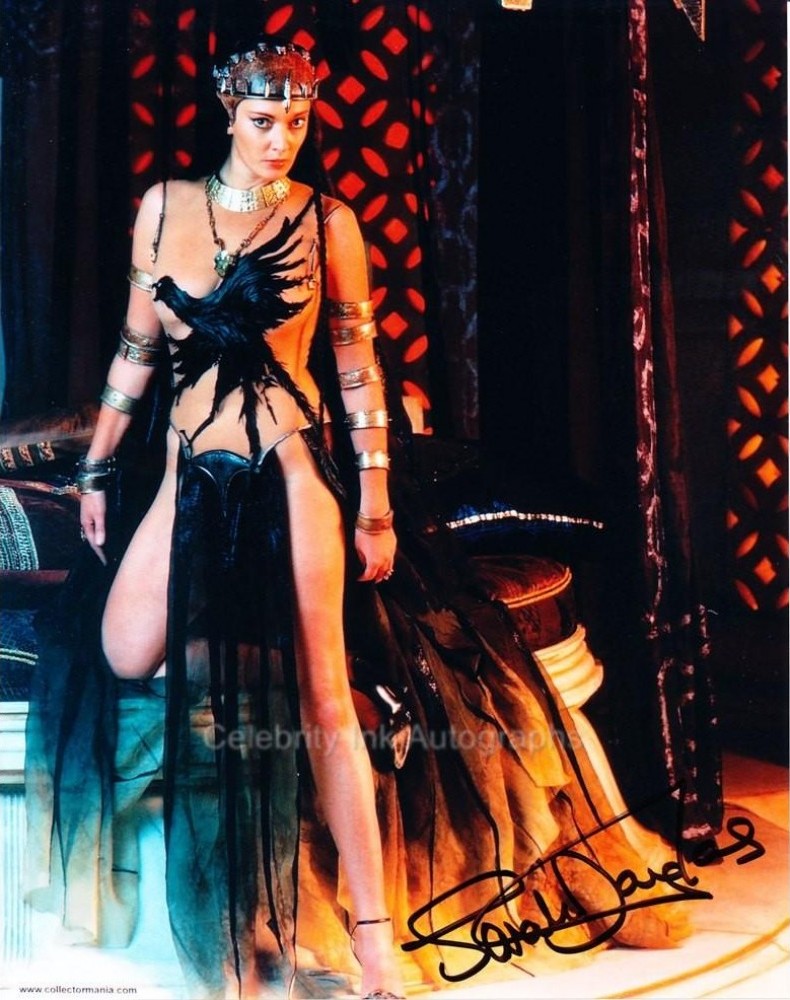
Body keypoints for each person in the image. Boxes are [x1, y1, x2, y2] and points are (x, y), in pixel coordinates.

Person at [26, 37, 692, 1000]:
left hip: (291, 467)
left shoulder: (327, 221)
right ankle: (337, 680)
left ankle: (376, 939)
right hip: (186, 469)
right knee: (127, 651)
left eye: (297, 122)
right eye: (264, 120)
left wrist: (374, 506)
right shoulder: (163, 207)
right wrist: (94, 471)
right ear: (227, 112)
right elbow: (136, 349)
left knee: (322, 698)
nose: (280, 139)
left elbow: (355, 371)